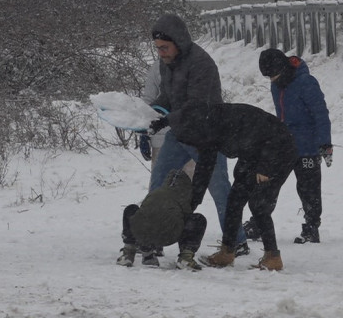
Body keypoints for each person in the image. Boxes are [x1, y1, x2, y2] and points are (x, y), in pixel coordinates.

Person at [141, 14, 247, 256]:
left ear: (179, 41)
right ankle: (152, 234)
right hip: (180, 134)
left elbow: (197, 106)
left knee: (220, 189)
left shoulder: (202, 64)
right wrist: (147, 114)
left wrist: (166, 119)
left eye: (165, 47)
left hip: (207, 136)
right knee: (157, 185)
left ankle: (236, 240)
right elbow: (169, 97)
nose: (161, 53)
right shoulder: (166, 63)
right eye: (157, 48)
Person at [150, 101, 298, 271]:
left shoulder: (223, 120)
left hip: (277, 151)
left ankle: (273, 257)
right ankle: (227, 252)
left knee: (259, 205)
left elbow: (271, 133)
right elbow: (203, 173)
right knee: (234, 200)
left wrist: (265, 167)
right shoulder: (203, 129)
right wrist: (191, 205)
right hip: (252, 154)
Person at [243, 49, 332, 244]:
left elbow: (320, 114)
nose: (272, 79)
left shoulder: (306, 83)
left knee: (309, 189)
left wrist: (325, 143)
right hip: (283, 145)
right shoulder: (277, 85)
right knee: (268, 185)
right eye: (268, 77)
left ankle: (311, 227)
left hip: (307, 146)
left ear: (282, 68)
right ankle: (258, 223)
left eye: (273, 75)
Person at [116, 168, 206, 271]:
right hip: (169, 235)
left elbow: (144, 212)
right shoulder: (183, 199)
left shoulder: (156, 192)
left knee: (132, 210)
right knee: (198, 219)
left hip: (142, 232)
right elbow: (185, 219)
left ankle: (129, 252)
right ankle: (185, 257)